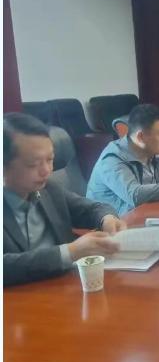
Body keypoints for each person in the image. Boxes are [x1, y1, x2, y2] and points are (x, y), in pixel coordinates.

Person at [3, 113, 128, 286]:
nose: (46, 170)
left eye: (50, 159)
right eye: (33, 164)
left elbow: (91, 208)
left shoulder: (49, 189)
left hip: (64, 287)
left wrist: (106, 218)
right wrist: (69, 252)